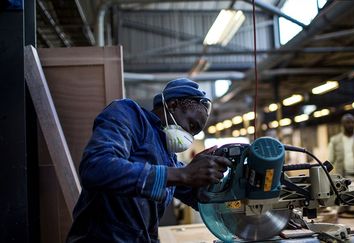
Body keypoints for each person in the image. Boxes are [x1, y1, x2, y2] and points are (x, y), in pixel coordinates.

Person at [67, 78, 231, 242]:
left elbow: (200, 198)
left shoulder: (169, 157)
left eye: (195, 134)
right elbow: (96, 168)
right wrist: (183, 174)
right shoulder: (129, 115)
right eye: (192, 126)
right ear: (173, 105)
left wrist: (221, 182)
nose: (190, 137)